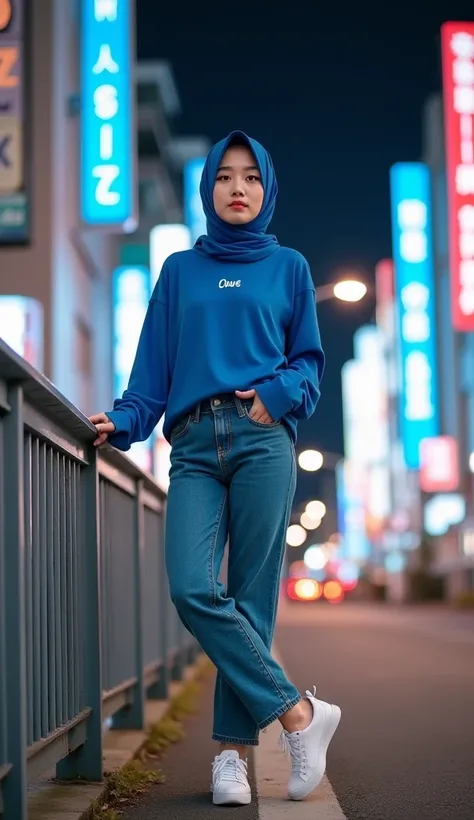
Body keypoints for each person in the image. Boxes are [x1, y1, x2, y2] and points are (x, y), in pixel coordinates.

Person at [89, 130, 341, 807]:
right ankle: (299, 717)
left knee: (252, 600)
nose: (237, 188)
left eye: (251, 178)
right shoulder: (179, 270)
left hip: (262, 439)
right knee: (194, 587)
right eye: (225, 177)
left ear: (267, 190)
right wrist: (125, 420)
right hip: (195, 446)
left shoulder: (289, 266)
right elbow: (153, 371)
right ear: (207, 190)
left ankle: (230, 757)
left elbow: (308, 363)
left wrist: (276, 398)